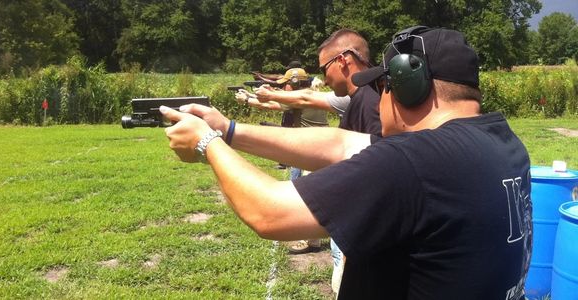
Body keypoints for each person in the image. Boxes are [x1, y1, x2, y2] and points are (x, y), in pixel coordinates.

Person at [161, 26, 532, 299]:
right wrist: (229, 130)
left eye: (383, 85)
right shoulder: (501, 143)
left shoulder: (413, 161)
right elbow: (340, 143)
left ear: (407, 84)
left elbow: (269, 213)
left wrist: (206, 143)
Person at [236, 67, 328, 254]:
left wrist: (247, 99)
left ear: (294, 84)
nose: (284, 87)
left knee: (304, 196)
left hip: (311, 149)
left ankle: (307, 237)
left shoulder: (300, 97)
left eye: (286, 84)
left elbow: (271, 105)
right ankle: (314, 239)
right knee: (310, 193)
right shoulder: (308, 93)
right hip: (313, 148)